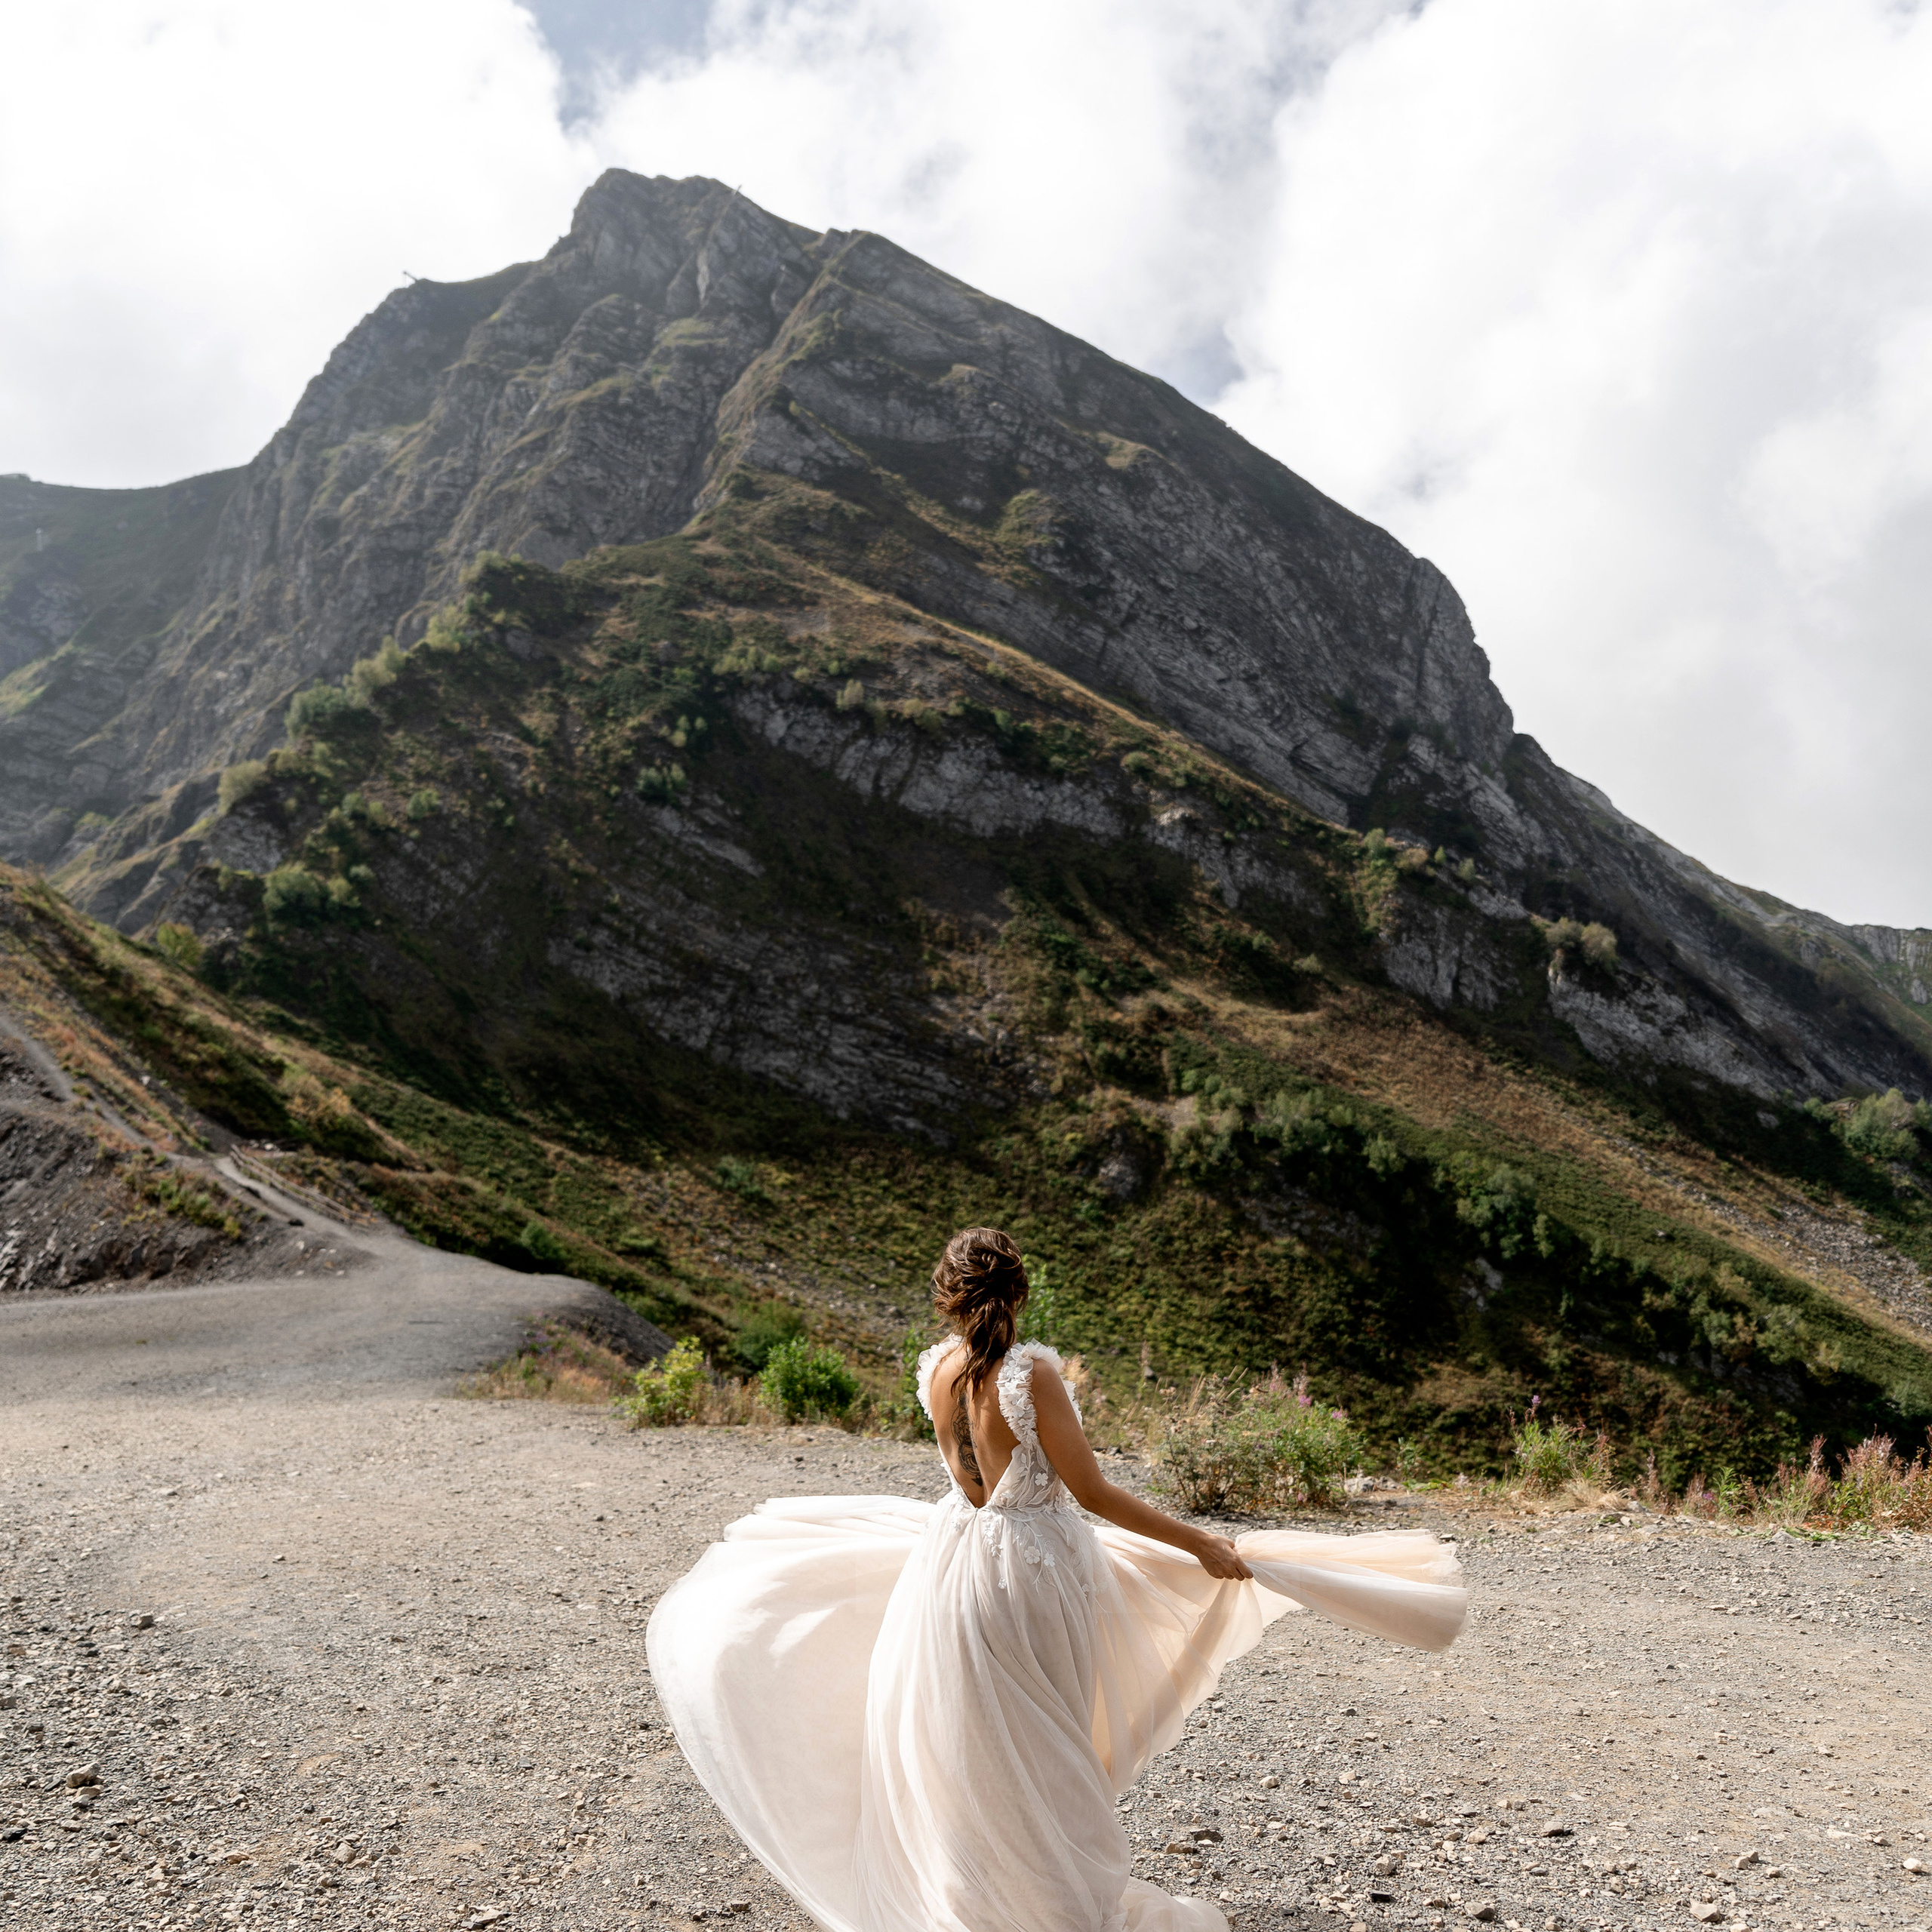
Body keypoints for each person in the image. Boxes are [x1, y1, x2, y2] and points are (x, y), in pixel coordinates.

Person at [648, 1227, 1466, 1932]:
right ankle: (1052, 1903)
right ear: (1020, 1292)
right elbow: (1094, 1493)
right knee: (1047, 1742)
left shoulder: (936, 1367)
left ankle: (984, 1894)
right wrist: (1199, 1543)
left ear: (947, 1297)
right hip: (1032, 1568)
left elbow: (971, 1476)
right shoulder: (1031, 1374)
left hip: (955, 1563)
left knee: (979, 1742)